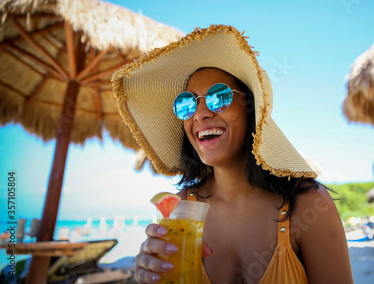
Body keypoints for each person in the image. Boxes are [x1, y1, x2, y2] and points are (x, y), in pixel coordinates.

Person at [112, 25, 353, 283]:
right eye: (187, 103)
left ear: (251, 109)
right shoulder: (179, 211)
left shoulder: (309, 205)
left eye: (218, 97)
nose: (200, 113)